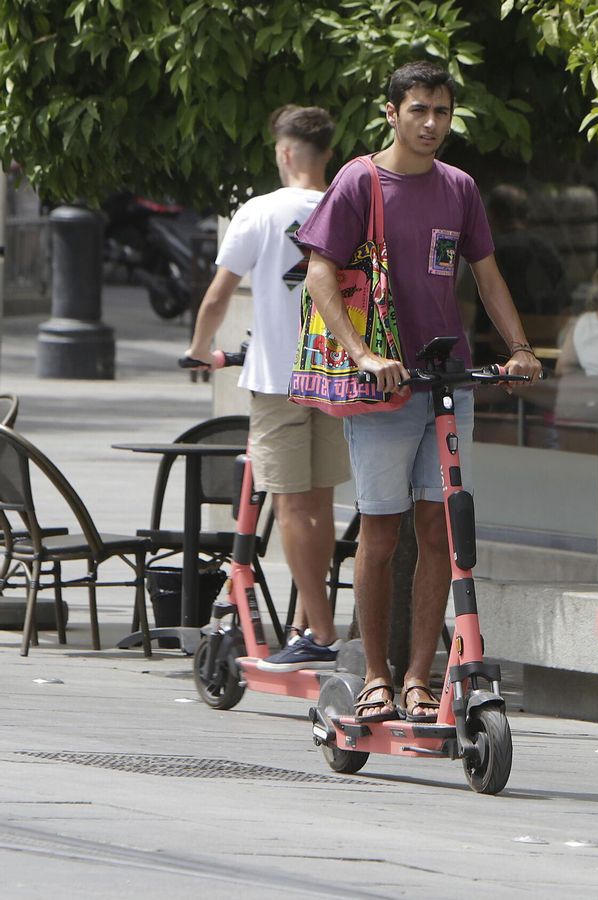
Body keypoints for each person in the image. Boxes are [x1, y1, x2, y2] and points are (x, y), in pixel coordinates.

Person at [295, 61, 540, 723]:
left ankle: (417, 679)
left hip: (445, 381)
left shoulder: (459, 188)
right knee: (380, 534)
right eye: (419, 111)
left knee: (439, 533)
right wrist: (365, 354)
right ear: (393, 113)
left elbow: (485, 275)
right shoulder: (359, 180)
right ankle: (374, 675)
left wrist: (518, 349)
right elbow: (320, 273)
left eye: (442, 111)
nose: (432, 124)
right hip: (383, 389)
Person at [184, 105, 348, 670]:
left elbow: (217, 296)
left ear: (283, 152)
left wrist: (200, 349)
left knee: (292, 503)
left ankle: (320, 632)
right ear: (327, 153)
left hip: (278, 379)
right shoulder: (346, 205)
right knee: (321, 503)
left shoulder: (260, 211)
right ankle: (308, 617)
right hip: (334, 376)